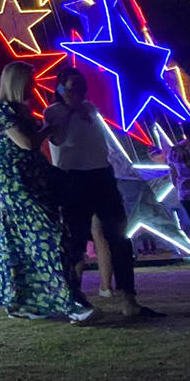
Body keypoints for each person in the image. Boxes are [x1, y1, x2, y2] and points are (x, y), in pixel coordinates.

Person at [44, 66, 161, 319]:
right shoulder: (53, 112)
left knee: (119, 238)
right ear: (61, 88)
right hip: (73, 178)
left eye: (81, 86)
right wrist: (70, 107)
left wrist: (82, 108)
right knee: (75, 241)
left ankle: (129, 300)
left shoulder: (91, 109)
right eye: (73, 85)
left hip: (103, 176)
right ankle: (74, 300)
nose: (79, 91)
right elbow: (58, 140)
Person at [0, 62, 93, 322]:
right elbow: (25, 143)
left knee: (32, 242)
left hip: (36, 181)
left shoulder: (22, 111)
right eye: (29, 80)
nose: (34, 85)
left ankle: (26, 302)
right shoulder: (3, 112)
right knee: (48, 237)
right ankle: (69, 303)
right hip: (17, 186)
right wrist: (46, 130)